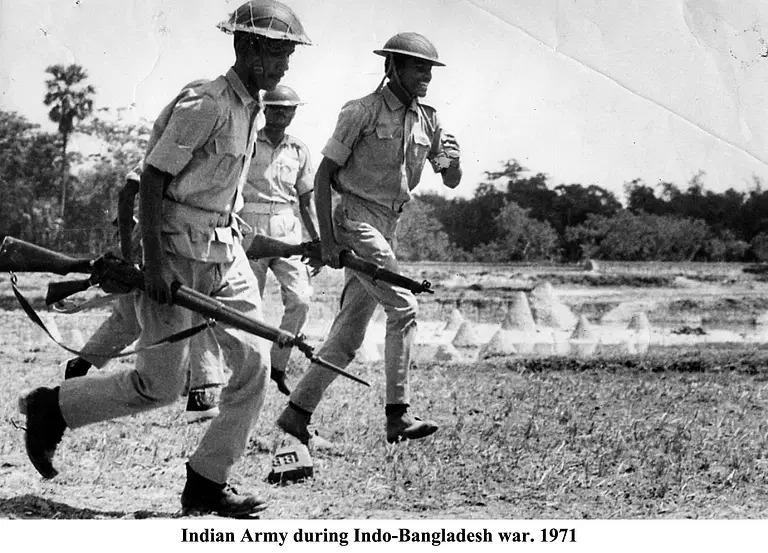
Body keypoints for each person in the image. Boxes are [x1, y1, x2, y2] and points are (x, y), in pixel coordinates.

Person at [19, 0, 311, 518]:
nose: (287, 63)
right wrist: (152, 266)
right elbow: (152, 181)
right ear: (248, 47)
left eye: (290, 53)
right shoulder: (207, 103)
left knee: (255, 364)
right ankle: (52, 408)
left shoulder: (250, 109)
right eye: (279, 51)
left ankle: (206, 480)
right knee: (160, 387)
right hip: (175, 251)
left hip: (225, 251)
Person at [275, 32, 462, 446]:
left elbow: (448, 177)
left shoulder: (429, 119)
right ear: (391, 67)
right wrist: (327, 241)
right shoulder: (361, 111)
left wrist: (455, 162)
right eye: (417, 66)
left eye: (429, 68)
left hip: (387, 227)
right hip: (354, 221)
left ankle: (295, 415)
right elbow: (324, 177)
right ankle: (398, 415)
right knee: (404, 305)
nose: (426, 75)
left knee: (348, 335)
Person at [64, 160, 225, 423]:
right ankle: (201, 394)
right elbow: (127, 194)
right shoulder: (166, 155)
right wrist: (128, 252)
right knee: (188, 320)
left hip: (171, 249)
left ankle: (81, 365)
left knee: (127, 320)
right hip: (162, 253)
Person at [240, 84, 321, 397]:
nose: (282, 115)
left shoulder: (298, 150)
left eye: (288, 110)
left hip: (288, 229)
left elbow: (306, 201)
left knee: (301, 298)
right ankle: (251, 370)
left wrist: (319, 242)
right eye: (275, 109)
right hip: (251, 225)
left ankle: (278, 365)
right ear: (265, 109)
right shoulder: (249, 142)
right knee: (249, 303)